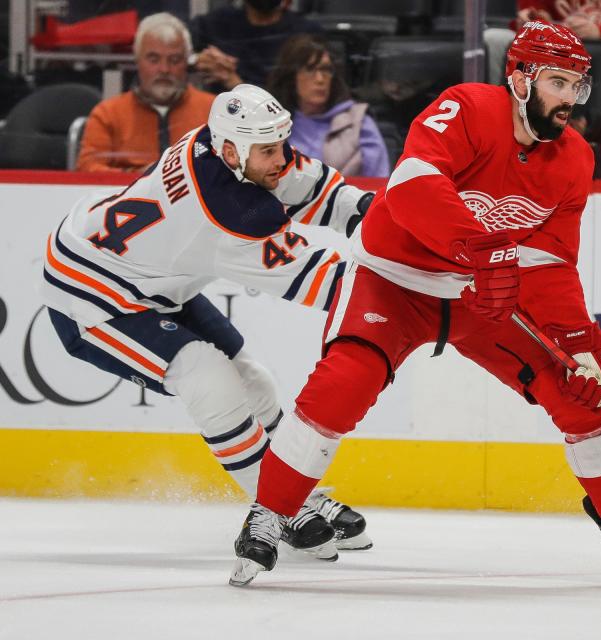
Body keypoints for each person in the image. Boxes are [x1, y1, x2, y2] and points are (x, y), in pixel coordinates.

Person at [229, 21, 601, 590]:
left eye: (578, 86)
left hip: (479, 293)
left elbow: (549, 263)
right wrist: (481, 249)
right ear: (520, 79)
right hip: (393, 278)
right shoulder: (467, 108)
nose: (570, 99)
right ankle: (271, 514)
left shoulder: (574, 160)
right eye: (558, 82)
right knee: (344, 383)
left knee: (581, 388)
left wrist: (577, 342)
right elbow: (412, 186)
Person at [44, 84, 374, 558]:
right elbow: (328, 283)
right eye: (268, 149)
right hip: (91, 294)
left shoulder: (221, 144)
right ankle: (278, 509)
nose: (280, 158)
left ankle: (302, 498)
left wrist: (370, 214)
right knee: (208, 376)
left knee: (253, 380)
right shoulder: (226, 213)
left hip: (150, 275)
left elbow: (307, 186)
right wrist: (417, 287)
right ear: (230, 150)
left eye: (281, 142)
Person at [76, 13, 215, 173]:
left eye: (175, 60)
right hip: (127, 194)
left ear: (187, 63)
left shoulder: (213, 110)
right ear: (137, 60)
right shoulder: (108, 114)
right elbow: (86, 170)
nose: (164, 69)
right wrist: (138, 177)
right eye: (153, 59)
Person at [266, 34, 390, 178]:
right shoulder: (272, 124)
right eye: (310, 69)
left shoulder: (359, 123)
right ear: (291, 76)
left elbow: (379, 186)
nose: (320, 79)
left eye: (325, 69)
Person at [190, 0, 323, 93]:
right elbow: (174, 46)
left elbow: (300, 99)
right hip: (223, 121)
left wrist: (234, 82)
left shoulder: (306, 34)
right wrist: (197, 59)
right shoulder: (215, 24)